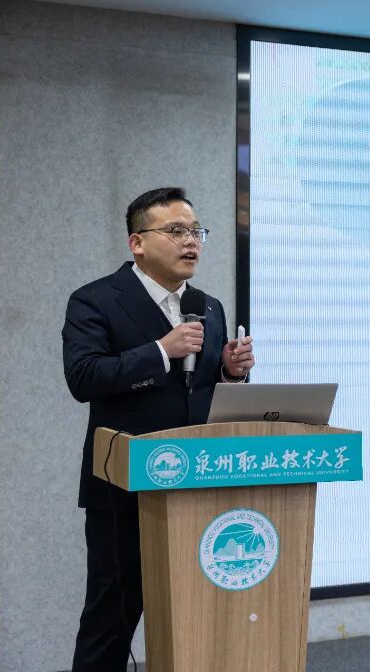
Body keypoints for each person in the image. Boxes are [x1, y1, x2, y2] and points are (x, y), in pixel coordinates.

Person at [62, 187, 255, 671]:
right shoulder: (95, 300)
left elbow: (198, 389)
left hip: (200, 486)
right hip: (125, 491)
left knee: (197, 614)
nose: (191, 241)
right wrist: (160, 351)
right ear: (138, 243)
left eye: (196, 231)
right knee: (111, 620)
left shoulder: (208, 306)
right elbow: (83, 378)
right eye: (176, 231)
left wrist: (230, 371)